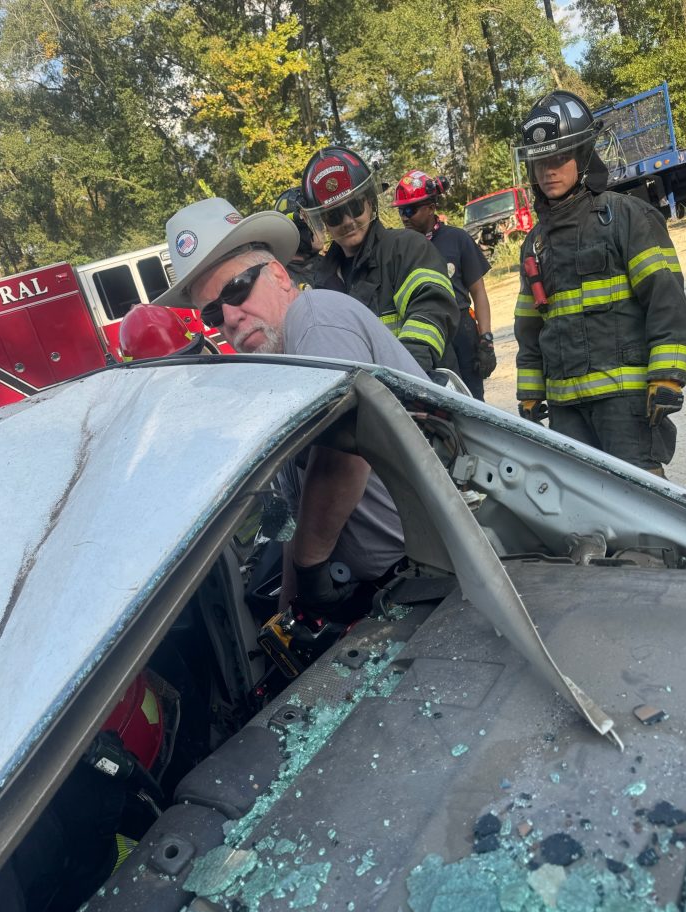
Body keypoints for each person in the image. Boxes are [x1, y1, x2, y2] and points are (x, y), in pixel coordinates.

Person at [155, 197, 430, 619]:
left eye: (237, 289)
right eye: (213, 313)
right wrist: (288, 606)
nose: (230, 316)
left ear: (280, 275)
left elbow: (343, 462)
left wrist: (307, 567)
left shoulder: (314, 316)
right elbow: (293, 509)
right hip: (382, 591)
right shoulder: (283, 377)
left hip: (424, 578)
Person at [514, 90, 686, 474]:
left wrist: (667, 375)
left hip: (624, 403)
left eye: (560, 157)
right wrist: (530, 394)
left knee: (643, 512)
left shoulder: (627, 218)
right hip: (567, 413)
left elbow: (665, 298)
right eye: (540, 160)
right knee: (585, 516)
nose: (548, 170)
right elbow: (529, 330)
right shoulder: (535, 244)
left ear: (583, 155)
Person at [299, 146, 460, 376]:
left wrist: (404, 378)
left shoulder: (405, 248)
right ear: (323, 221)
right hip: (366, 404)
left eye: (353, 207)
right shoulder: (322, 283)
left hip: (425, 395)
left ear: (370, 202)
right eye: (334, 215)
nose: (347, 221)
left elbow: (432, 307)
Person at [392, 169, 495, 399]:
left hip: (462, 331)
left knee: (474, 402)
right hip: (428, 332)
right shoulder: (400, 248)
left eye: (410, 210)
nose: (404, 217)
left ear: (431, 207)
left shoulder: (457, 239)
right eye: (401, 211)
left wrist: (486, 340)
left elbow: (478, 292)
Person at [273, 186, 324, 288]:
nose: (323, 226)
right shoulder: (281, 280)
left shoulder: (332, 263)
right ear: (297, 228)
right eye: (315, 220)